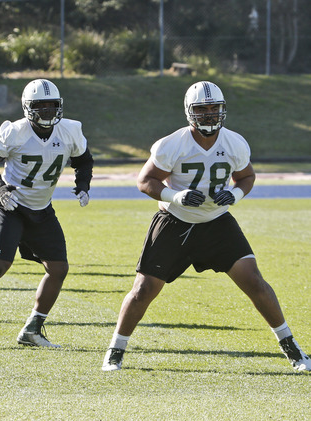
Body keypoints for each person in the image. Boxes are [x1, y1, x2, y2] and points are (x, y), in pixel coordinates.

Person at [101, 81, 310, 372]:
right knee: (143, 289)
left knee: (254, 281)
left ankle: (292, 348)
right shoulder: (172, 144)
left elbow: (247, 177)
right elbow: (144, 181)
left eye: (215, 109)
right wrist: (176, 195)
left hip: (216, 222)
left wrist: (235, 194)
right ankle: (115, 350)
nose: (210, 115)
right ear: (190, 112)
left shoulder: (234, 142)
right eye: (203, 109)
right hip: (175, 222)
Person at [0, 79, 93, 347]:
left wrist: (83, 184)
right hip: (10, 206)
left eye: (53, 106)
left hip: (41, 209)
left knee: (58, 269)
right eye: (42, 106)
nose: (49, 112)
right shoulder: (15, 132)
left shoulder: (71, 130)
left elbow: (84, 159)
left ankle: (33, 329)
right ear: (28, 108)